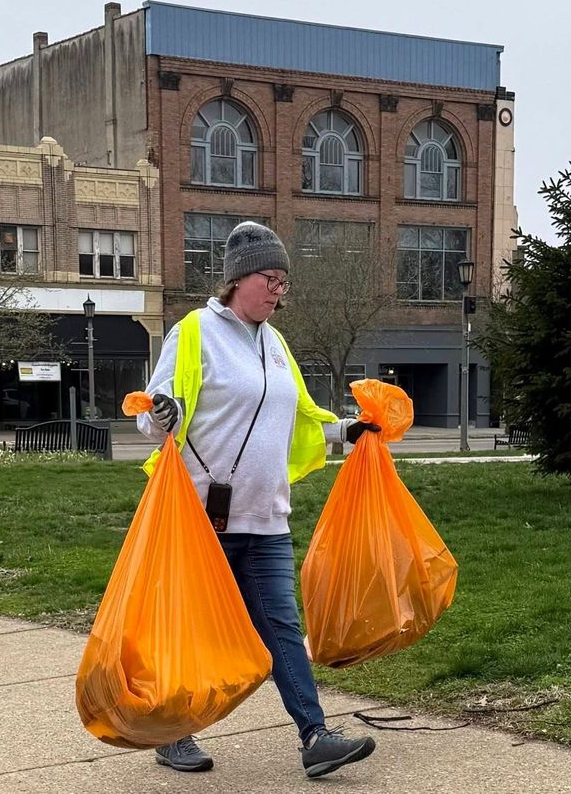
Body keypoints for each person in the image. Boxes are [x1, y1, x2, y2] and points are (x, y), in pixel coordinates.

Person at [136, 221, 379, 780]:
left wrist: (348, 431)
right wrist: (161, 413)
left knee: (283, 627)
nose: (278, 290)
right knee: (193, 626)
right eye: (270, 278)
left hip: (266, 515)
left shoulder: (275, 343)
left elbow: (295, 417)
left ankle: (316, 735)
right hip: (202, 517)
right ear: (239, 278)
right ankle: (174, 731)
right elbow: (156, 414)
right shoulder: (195, 331)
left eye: (283, 282)